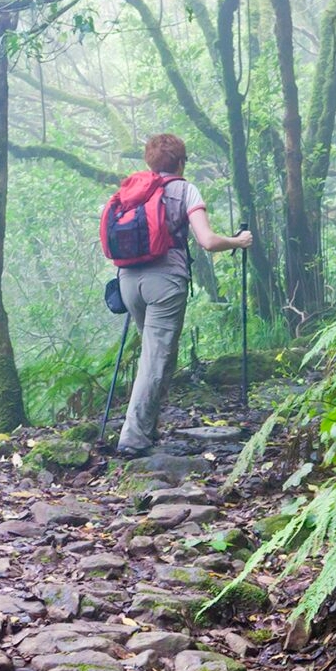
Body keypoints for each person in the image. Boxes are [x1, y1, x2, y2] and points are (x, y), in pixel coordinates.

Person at [116, 133, 253, 458]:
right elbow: (206, 240)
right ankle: (132, 439)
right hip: (164, 282)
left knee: (159, 357)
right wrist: (238, 241)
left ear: (150, 161)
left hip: (127, 281)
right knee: (155, 360)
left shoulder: (132, 190)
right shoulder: (184, 189)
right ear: (180, 161)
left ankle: (146, 430)